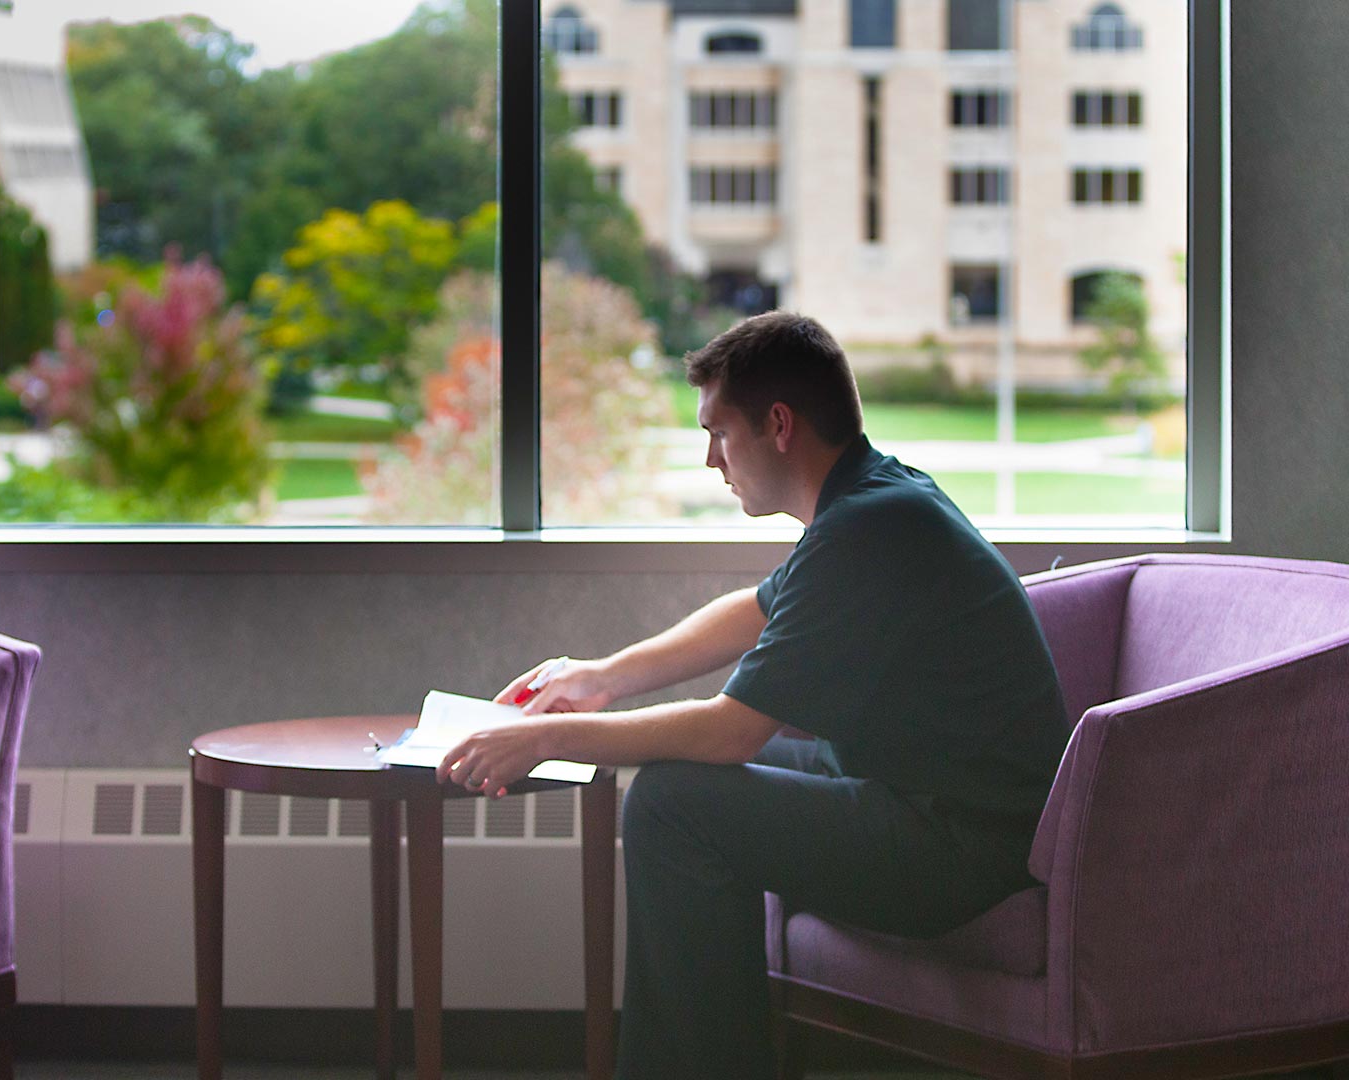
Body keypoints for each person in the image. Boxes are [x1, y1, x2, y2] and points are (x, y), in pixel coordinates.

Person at [436, 311, 1069, 1079]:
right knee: (694, 787)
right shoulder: (874, 497)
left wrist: (541, 739)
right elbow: (756, 608)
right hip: (917, 797)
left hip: (960, 846)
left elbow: (726, 733)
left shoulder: (869, 525)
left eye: (718, 432)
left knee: (674, 805)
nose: (710, 458)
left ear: (777, 424)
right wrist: (601, 674)